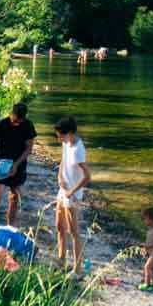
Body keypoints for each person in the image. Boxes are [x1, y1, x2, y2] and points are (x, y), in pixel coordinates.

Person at [0, 102, 35, 228]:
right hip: (1, 165)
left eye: (20, 121)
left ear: (24, 118)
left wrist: (16, 164)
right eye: (15, 120)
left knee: (14, 198)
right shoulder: (1, 124)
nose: (17, 123)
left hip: (19, 165)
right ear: (12, 114)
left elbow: (29, 149)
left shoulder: (28, 125)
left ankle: (10, 228)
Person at [53, 115, 90, 275]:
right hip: (63, 190)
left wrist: (71, 192)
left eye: (60, 135)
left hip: (72, 195)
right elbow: (63, 160)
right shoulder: (66, 143)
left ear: (69, 133)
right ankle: (61, 261)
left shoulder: (78, 150)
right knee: (59, 226)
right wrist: (59, 176)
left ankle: (77, 268)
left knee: (73, 231)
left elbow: (87, 177)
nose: (59, 138)